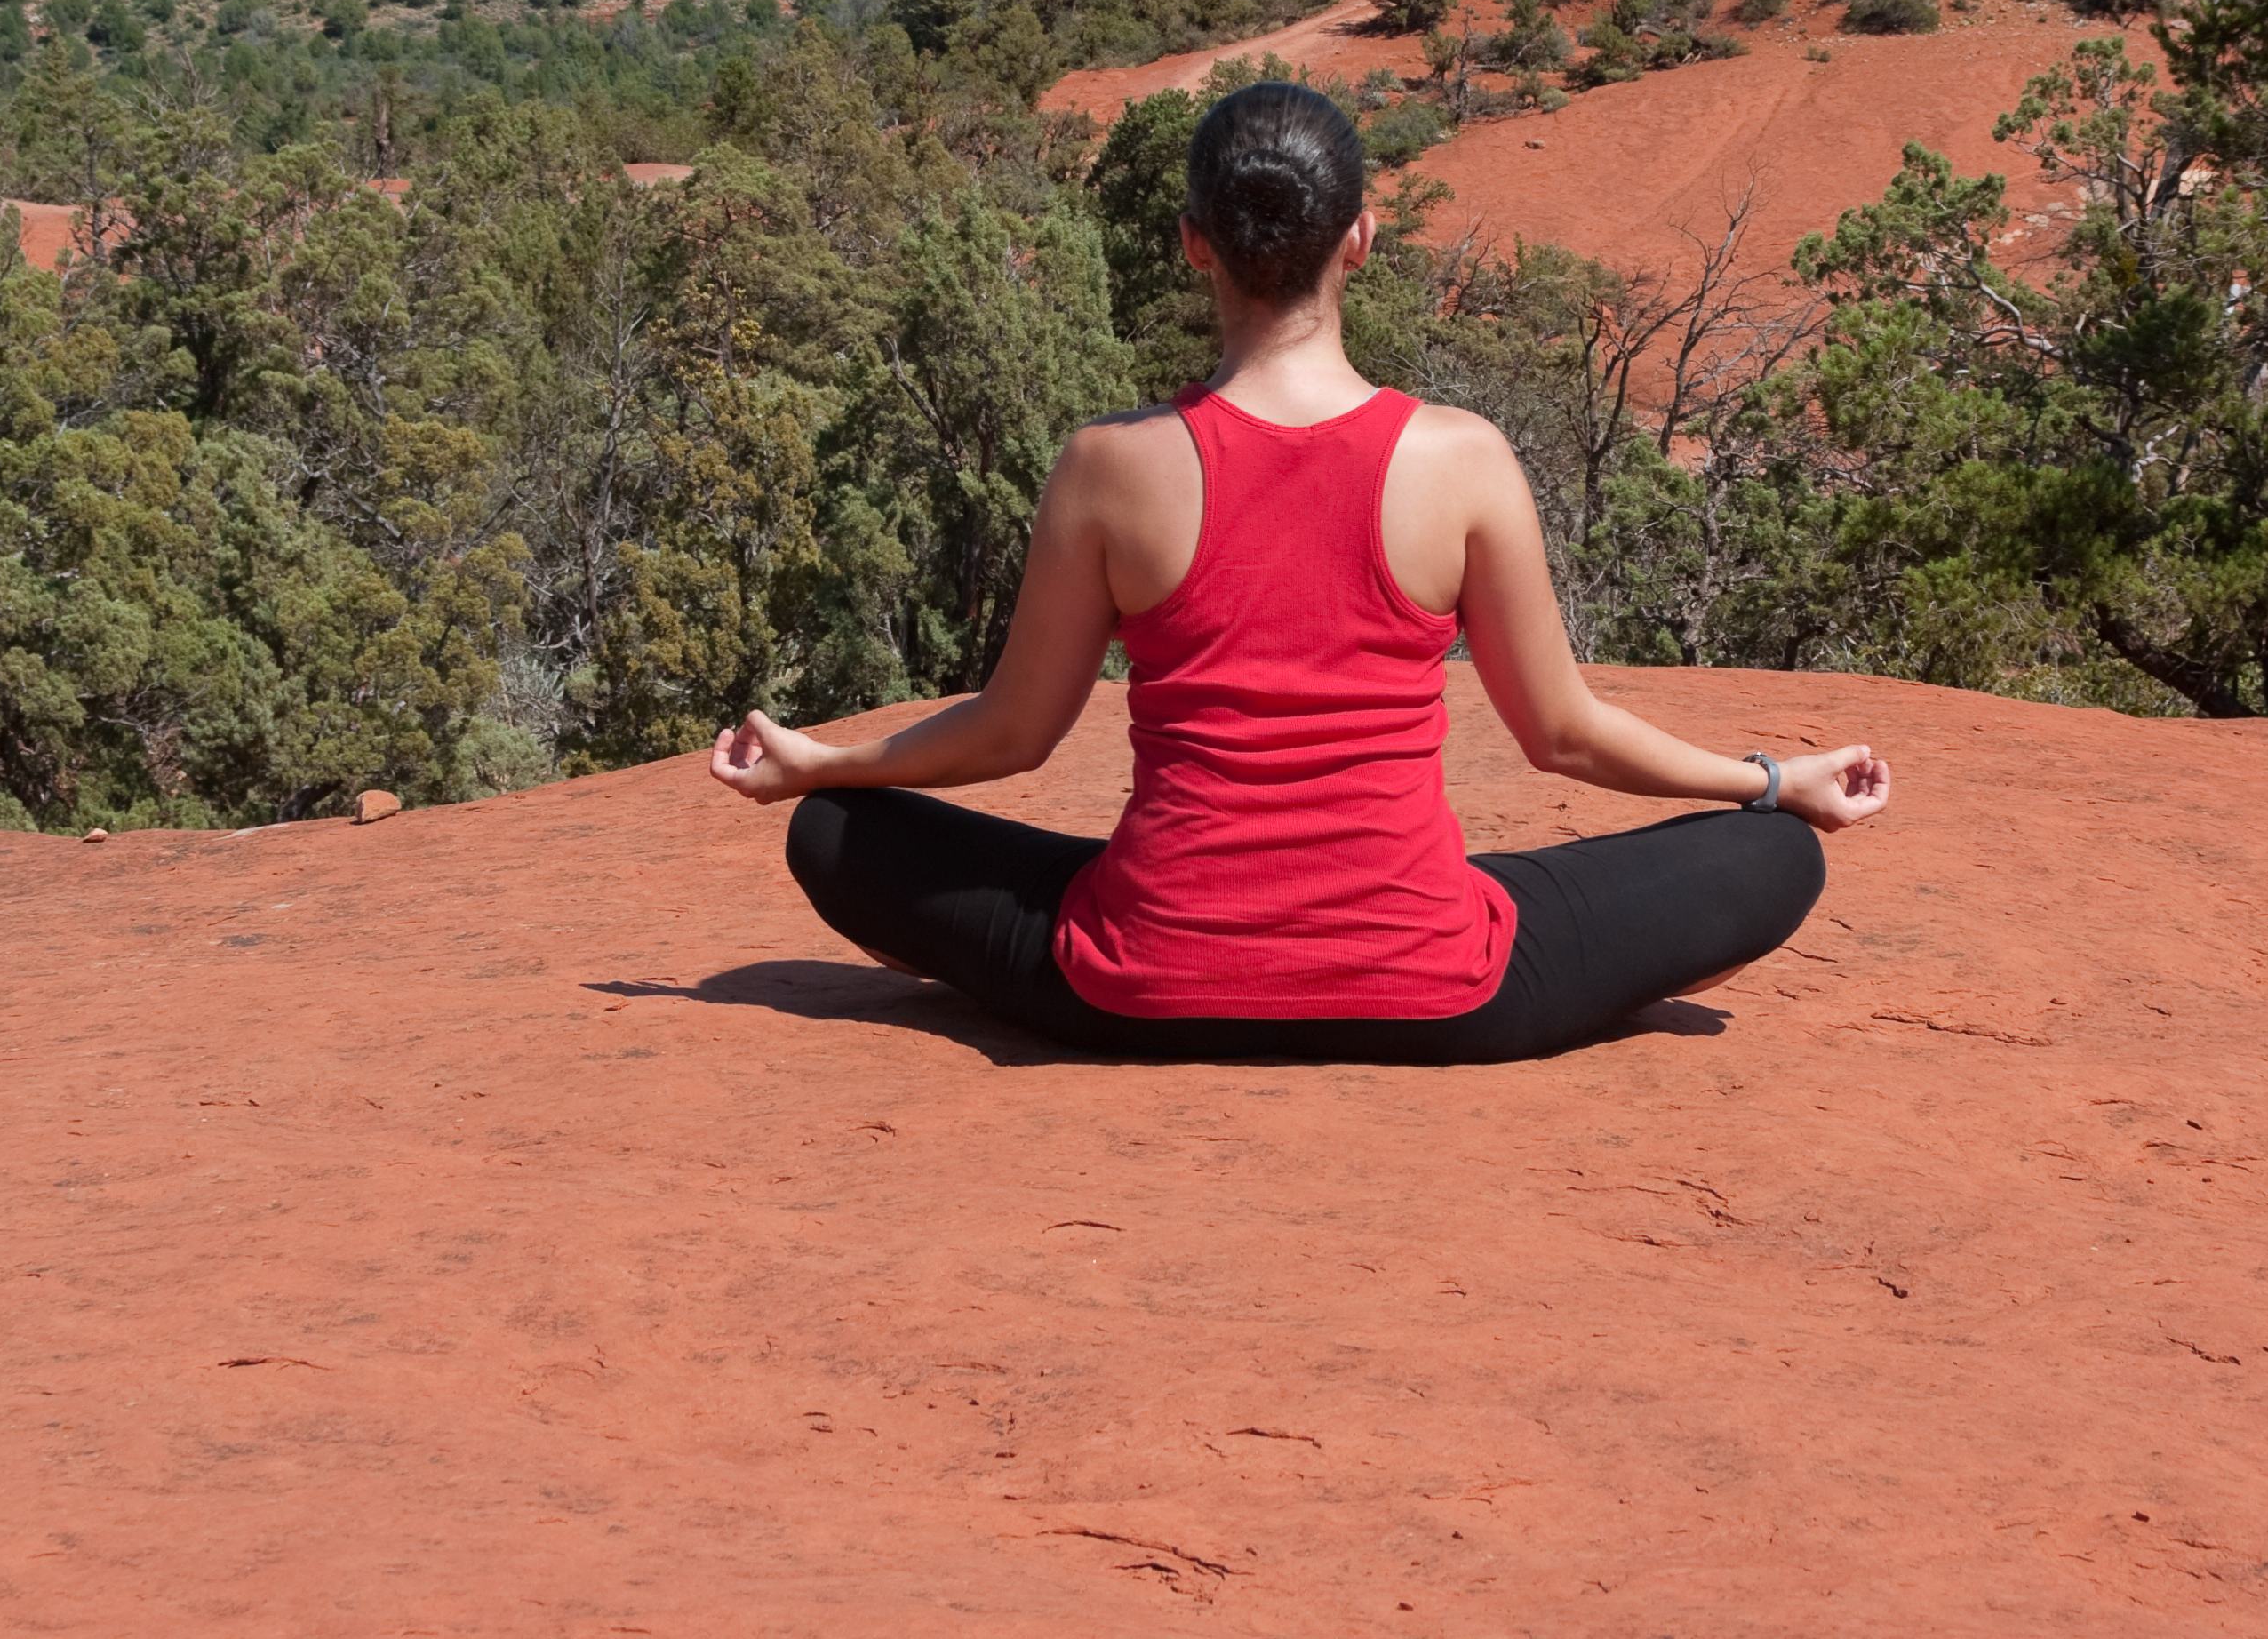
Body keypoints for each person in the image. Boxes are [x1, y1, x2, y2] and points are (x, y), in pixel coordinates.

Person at [711, 80, 1892, 1063]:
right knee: (1773, 850)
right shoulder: (1461, 459)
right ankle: (1392, 915)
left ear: (1195, 244)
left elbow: (1015, 733)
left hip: (1145, 983)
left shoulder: (1108, 467)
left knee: (836, 832)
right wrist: (1771, 779)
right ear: (1360, 239)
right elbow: (1565, 738)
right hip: (1431, 986)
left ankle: (1201, 931)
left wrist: (828, 765)